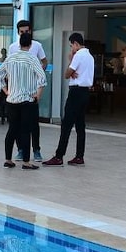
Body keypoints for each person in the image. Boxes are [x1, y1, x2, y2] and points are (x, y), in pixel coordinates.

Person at [0, 32, 46, 170]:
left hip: (12, 100)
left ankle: (8, 159)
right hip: (27, 100)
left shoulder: (10, 58)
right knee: (25, 130)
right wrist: (38, 95)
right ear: (30, 44)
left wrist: (6, 91)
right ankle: (26, 162)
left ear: (19, 44)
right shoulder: (32, 59)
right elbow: (42, 78)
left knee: (12, 130)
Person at [43, 32, 94, 167]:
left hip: (75, 92)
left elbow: (67, 74)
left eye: (72, 46)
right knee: (80, 125)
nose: (71, 48)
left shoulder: (78, 55)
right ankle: (79, 156)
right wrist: (73, 72)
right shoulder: (90, 57)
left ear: (76, 44)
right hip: (85, 92)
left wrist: (71, 60)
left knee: (66, 125)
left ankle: (59, 156)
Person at [8, 20, 48, 162]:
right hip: (18, 91)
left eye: (26, 31)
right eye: (21, 32)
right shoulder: (13, 47)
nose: (24, 33)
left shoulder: (37, 46)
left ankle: (36, 150)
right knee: (17, 123)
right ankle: (21, 149)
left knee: (33, 123)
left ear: (30, 31)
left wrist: (38, 73)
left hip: (32, 90)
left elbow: (44, 61)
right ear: (18, 32)